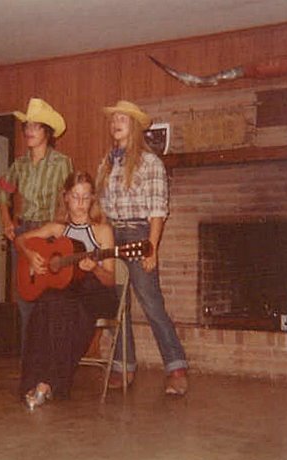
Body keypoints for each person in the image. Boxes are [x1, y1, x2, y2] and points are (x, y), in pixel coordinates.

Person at [96, 100, 188, 396]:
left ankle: (176, 369)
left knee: (150, 303)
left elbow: (158, 211)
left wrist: (152, 248)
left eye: (122, 119)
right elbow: (102, 209)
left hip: (138, 234)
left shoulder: (150, 163)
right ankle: (124, 366)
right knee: (115, 303)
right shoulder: (106, 163)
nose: (116, 123)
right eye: (113, 119)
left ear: (134, 126)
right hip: (111, 236)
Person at [15, 171, 118, 408]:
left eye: (85, 197)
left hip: (96, 294)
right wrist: (30, 257)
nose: (80, 203)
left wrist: (94, 268)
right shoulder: (57, 229)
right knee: (46, 305)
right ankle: (37, 382)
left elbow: (110, 279)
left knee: (64, 306)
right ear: (66, 197)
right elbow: (20, 240)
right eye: (75, 196)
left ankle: (48, 383)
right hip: (65, 296)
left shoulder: (102, 231)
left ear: (93, 199)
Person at [0, 98, 73, 351]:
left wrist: (60, 227)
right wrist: (7, 222)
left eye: (35, 126)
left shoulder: (62, 162)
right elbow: (3, 191)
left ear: (47, 132)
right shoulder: (19, 165)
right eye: (26, 126)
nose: (29, 131)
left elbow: (69, 197)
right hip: (24, 234)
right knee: (26, 297)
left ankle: (50, 357)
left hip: (50, 234)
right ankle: (29, 359)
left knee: (50, 296)